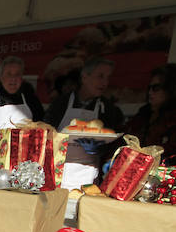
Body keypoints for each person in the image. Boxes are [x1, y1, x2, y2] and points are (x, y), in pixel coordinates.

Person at [43, 57, 124, 189]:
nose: (104, 82)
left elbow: (111, 144)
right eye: (100, 76)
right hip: (57, 170)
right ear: (84, 77)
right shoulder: (61, 103)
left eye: (107, 78)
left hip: (87, 175)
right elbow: (45, 130)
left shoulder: (108, 108)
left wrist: (98, 148)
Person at [123, 63, 176, 168]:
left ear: (171, 89)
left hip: (168, 178)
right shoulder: (144, 114)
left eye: (156, 88)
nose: (150, 92)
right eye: (149, 88)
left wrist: (166, 164)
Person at [0, 56, 44, 131]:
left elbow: (42, 128)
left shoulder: (31, 100)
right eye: (9, 74)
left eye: (17, 74)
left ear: (21, 78)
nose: (13, 79)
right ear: (1, 77)